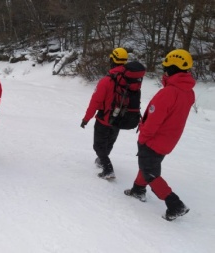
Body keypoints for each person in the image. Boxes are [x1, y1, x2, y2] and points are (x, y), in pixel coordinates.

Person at [124, 49, 195, 221]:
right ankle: (138, 190)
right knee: (148, 166)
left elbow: (153, 120)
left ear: (171, 69)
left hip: (154, 139)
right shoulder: (188, 91)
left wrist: (143, 138)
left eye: (166, 67)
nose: (164, 71)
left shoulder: (169, 92)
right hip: (168, 140)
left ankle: (175, 204)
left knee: (150, 173)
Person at [80, 47, 128, 180]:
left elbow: (95, 101)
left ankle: (108, 169)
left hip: (104, 119)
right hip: (119, 119)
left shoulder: (107, 80)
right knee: (109, 143)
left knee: (98, 145)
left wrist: (86, 119)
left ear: (112, 60)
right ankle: (102, 161)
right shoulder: (129, 80)